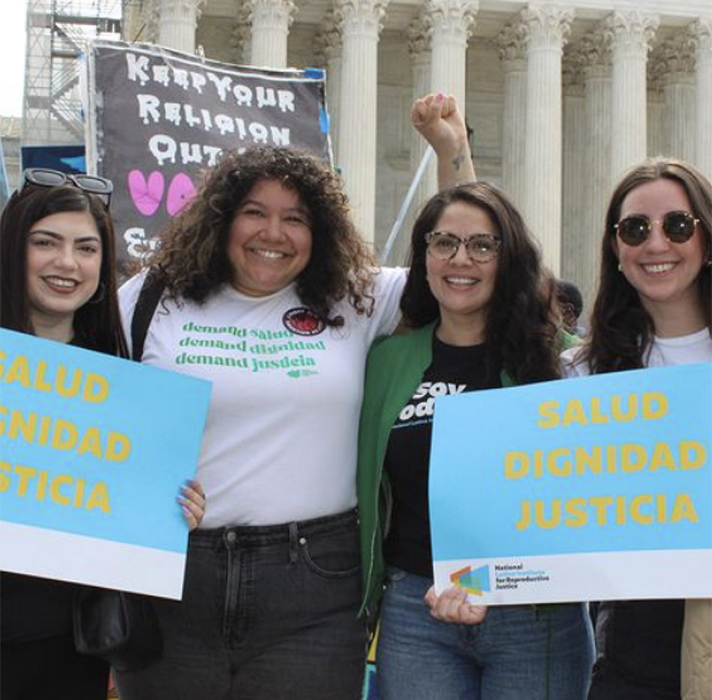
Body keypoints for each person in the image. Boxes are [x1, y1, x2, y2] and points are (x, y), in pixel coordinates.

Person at [114, 93, 476, 700]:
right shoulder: (151, 297)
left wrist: (452, 149)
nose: (273, 234)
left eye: (297, 218)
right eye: (255, 212)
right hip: (173, 577)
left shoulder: (354, 298)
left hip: (314, 586)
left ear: (322, 230)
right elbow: (90, 412)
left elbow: (467, 262)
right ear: (221, 218)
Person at [357, 182, 594, 700]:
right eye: (444, 243)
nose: (460, 259)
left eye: (482, 245)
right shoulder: (385, 362)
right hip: (416, 611)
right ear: (423, 256)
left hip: (535, 616)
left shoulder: (561, 362)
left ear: (507, 260)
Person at [0, 169, 206, 700]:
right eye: (45, 242)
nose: (67, 263)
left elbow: (127, 504)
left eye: (86, 248)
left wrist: (174, 505)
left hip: (73, 643)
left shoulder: (123, 380)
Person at [560, 157, 712, 700]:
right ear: (616, 250)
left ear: (706, 240)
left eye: (677, 226)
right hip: (630, 643)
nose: (656, 244)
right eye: (634, 229)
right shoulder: (580, 373)